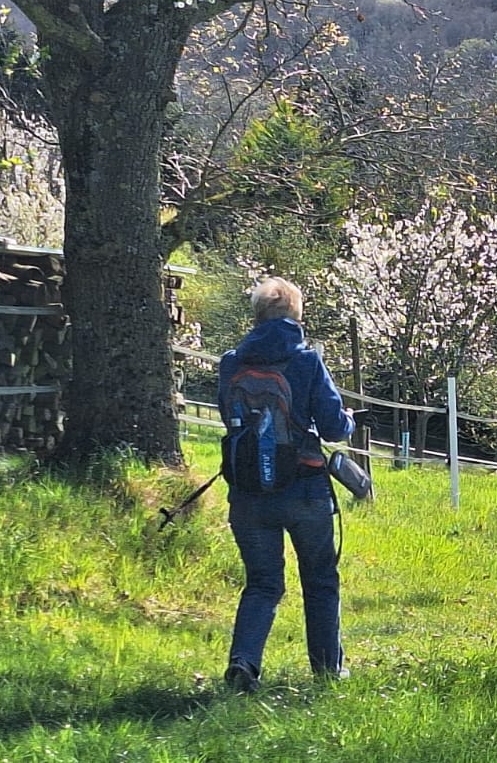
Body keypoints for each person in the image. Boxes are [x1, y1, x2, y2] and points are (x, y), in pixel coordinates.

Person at [219, 277, 357, 694]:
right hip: (304, 488)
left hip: (248, 493)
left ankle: (244, 662)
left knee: (262, 583)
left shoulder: (231, 363)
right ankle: (327, 670)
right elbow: (334, 428)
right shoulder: (307, 361)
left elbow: (230, 418)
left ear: (257, 317)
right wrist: (349, 419)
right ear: (296, 316)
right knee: (319, 580)